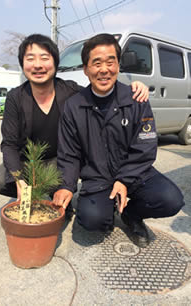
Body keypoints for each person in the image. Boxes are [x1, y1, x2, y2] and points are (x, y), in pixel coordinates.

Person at [53, 33, 185, 247]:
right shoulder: (74, 106)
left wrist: (124, 180)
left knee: (171, 200)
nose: (104, 69)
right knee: (92, 221)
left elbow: (145, 147)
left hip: (135, 173)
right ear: (86, 69)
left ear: (118, 65)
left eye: (110, 62)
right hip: (97, 177)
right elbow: (69, 154)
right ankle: (107, 209)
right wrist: (66, 186)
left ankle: (132, 214)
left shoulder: (136, 99)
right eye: (96, 63)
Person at [0, 33, 149, 208]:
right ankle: (36, 198)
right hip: (29, 162)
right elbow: (9, 144)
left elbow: (100, 90)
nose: (38, 65)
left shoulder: (71, 91)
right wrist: (18, 179)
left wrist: (132, 88)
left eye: (44, 58)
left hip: (62, 161)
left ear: (55, 63)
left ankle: (60, 195)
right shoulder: (15, 97)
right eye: (30, 59)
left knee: (64, 174)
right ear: (22, 64)